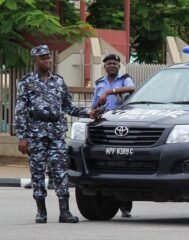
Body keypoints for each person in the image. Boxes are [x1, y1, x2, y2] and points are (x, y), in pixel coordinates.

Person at [15, 44, 90, 224]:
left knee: (60, 172)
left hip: (56, 135)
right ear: (35, 60)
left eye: (48, 57)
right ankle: (41, 211)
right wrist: (22, 136)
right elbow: (20, 111)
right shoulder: (26, 82)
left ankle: (65, 212)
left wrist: (89, 113)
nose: (47, 60)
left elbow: (68, 106)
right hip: (36, 135)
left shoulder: (58, 81)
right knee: (38, 173)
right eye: (43, 58)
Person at [89, 53, 135, 217]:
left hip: (121, 125)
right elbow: (94, 104)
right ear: (105, 66)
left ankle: (125, 204)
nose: (112, 65)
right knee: (107, 163)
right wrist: (92, 112)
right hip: (104, 125)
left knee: (124, 163)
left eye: (115, 63)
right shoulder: (99, 83)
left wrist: (109, 92)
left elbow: (132, 89)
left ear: (119, 65)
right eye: (109, 63)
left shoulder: (124, 79)